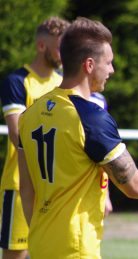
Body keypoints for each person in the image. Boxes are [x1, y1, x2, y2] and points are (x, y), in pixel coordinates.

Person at [17, 17, 138, 258]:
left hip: (40, 244)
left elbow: (26, 190)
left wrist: (40, 233)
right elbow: (134, 185)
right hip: (76, 248)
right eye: (108, 63)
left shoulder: (30, 114)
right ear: (89, 65)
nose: (112, 70)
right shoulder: (91, 118)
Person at [0, 16, 70, 259]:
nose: (66, 53)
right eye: (61, 47)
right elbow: (17, 135)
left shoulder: (65, 83)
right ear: (42, 46)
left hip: (54, 190)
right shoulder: (17, 82)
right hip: (19, 186)